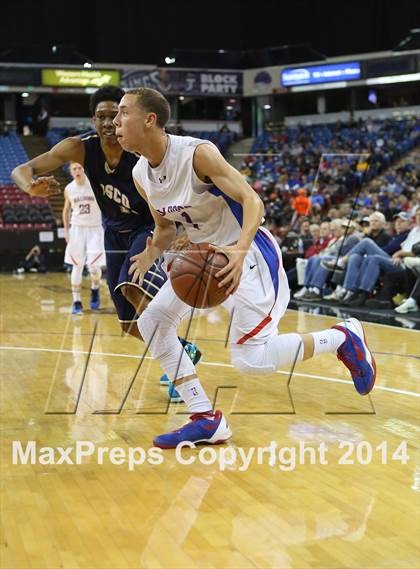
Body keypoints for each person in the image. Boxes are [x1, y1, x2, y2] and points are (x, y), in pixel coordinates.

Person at [113, 87, 376, 448]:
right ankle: (206, 417)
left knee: (252, 359)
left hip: (248, 254)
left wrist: (238, 250)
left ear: (149, 119)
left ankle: (343, 337)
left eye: (123, 112)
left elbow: (253, 200)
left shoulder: (197, 154)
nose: (115, 121)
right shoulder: (142, 174)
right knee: (152, 323)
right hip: (205, 258)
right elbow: (165, 228)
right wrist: (149, 254)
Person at [11, 86, 201, 392]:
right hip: (112, 232)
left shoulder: (138, 154)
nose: (109, 122)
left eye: (116, 115)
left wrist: (181, 230)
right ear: (93, 119)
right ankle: (182, 348)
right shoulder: (81, 147)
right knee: (128, 324)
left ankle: (180, 368)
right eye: (101, 116)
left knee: (132, 285)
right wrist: (30, 185)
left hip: (146, 228)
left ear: (127, 118)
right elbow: (23, 169)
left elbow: (172, 194)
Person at [62, 162, 104, 314]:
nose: (77, 170)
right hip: (77, 229)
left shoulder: (94, 184)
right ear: (71, 172)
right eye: (74, 168)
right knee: (77, 266)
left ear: (84, 169)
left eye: (80, 168)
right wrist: (66, 231)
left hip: (95, 228)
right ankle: (76, 302)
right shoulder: (69, 189)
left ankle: (95, 289)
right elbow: (66, 210)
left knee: (94, 267)